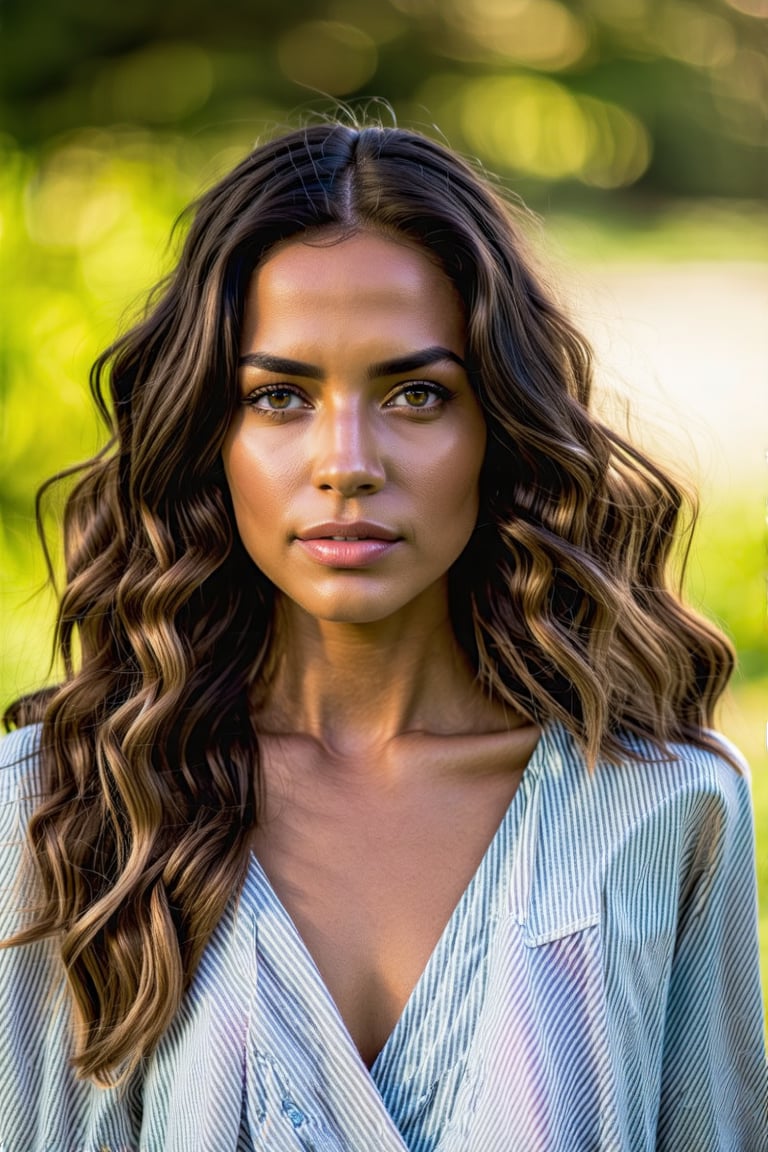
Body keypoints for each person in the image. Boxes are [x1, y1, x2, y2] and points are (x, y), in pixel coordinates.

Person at [0, 118, 765, 1152]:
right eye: (279, 396)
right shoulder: (61, 808)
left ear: (498, 423)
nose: (346, 461)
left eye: (416, 394)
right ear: (207, 437)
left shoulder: (660, 805)